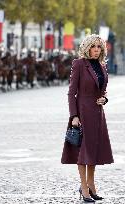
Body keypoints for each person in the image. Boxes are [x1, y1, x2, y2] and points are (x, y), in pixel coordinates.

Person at [61, 34, 114, 203]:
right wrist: (74, 116)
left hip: (98, 113)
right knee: (83, 152)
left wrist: (104, 99)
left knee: (94, 150)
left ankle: (91, 185)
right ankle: (83, 187)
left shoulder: (102, 65)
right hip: (82, 113)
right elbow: (71, 92)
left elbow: (102, 90)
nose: (96, 50)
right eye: (93, 46)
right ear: (87, 47)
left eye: (99, 47)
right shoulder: (78, 64)